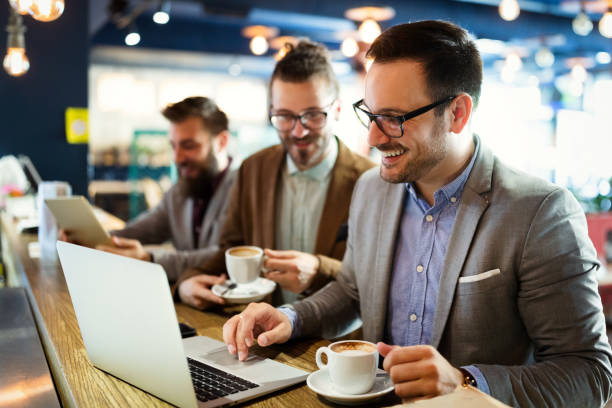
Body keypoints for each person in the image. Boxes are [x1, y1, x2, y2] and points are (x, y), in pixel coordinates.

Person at [221, 20, 612, 407]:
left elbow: (589, 374)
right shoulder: (371, 190)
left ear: (457, 113)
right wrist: (292, 318)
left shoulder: (540, 212)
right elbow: (353, 291)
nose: (373, 138)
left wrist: (465, 381)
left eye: (393, 119)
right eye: (370, 115)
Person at [175, 40, 375, 309]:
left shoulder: (371, 181)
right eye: (284, 116)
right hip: (262, 336)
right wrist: (188, 281)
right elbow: (232, 250)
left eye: (313, 115)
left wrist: (320, 270)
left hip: (334, 344)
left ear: (337, 109)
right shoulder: (254, 169)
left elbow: (379, 278)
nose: (298, 131)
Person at [69, 97, 237, 282]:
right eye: (173, 146)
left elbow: (228, 255)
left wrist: (150, 258)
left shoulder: (244, 188)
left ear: (222, 142)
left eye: (189, 146)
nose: (177, 158)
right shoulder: (180, 191)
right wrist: (89, 238)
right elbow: (139, 231)